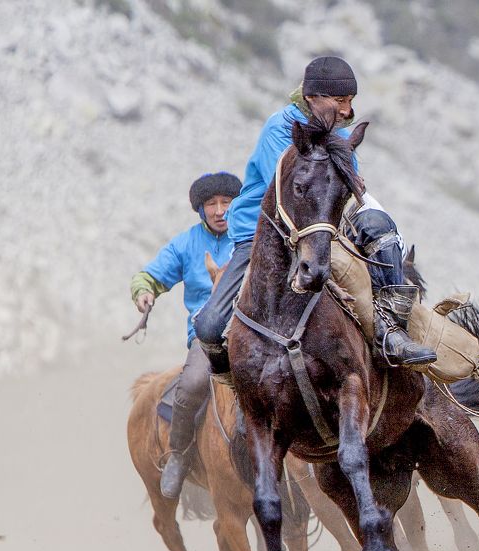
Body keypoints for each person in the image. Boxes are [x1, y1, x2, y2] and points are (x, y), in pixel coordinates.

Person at [194, 55, 436, 375]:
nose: (347, 110)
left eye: (349, 101)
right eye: (339, 101)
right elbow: (291, 192)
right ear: (312, 98)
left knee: (382, 228)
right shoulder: (281, 128)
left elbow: (345, 190)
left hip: (322, 225)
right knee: (210, 326)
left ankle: (392, 331)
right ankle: (233, 376)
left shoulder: (338, 134)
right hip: (265, 234)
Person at [130, 171, 241, 499]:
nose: (220, 210)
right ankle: (179, 454)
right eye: (212, 204)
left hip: (253, 333)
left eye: (227, 202)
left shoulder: (251, 236)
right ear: (201, 209)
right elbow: (148, 275)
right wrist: (143, 292)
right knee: (192, 383)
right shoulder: (186, 244)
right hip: (208, 338)